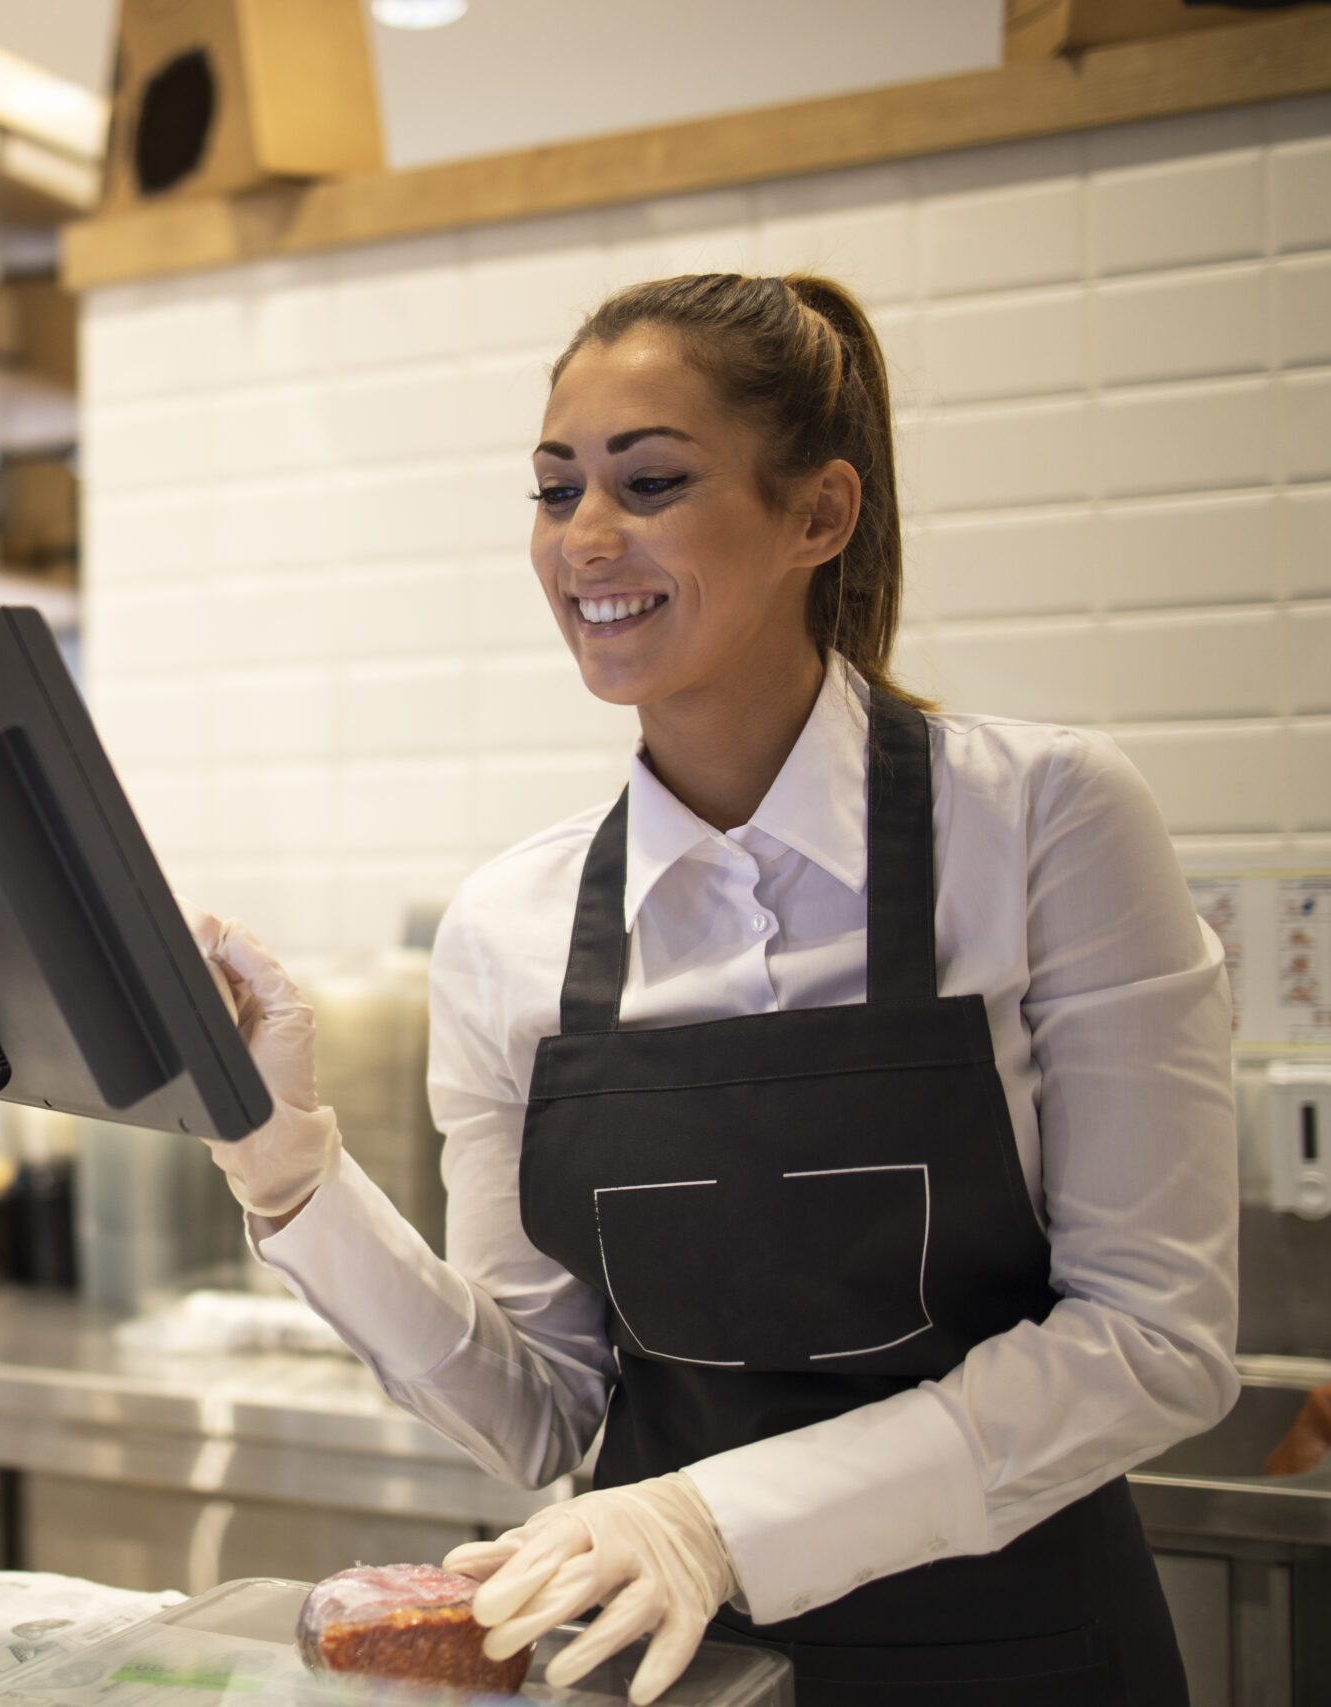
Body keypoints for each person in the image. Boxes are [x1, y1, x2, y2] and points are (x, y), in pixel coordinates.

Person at [186, 273, 1236, 1706]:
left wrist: (709, 1520)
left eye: (652, 482)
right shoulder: (511, 929)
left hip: (1025, 1656)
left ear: (820, 515)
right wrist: (288, 1167)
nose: (586, 540)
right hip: (672, 1676)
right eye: (556, 493)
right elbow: (537, 1411)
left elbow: (1155, 1341)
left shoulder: (1047, 821)